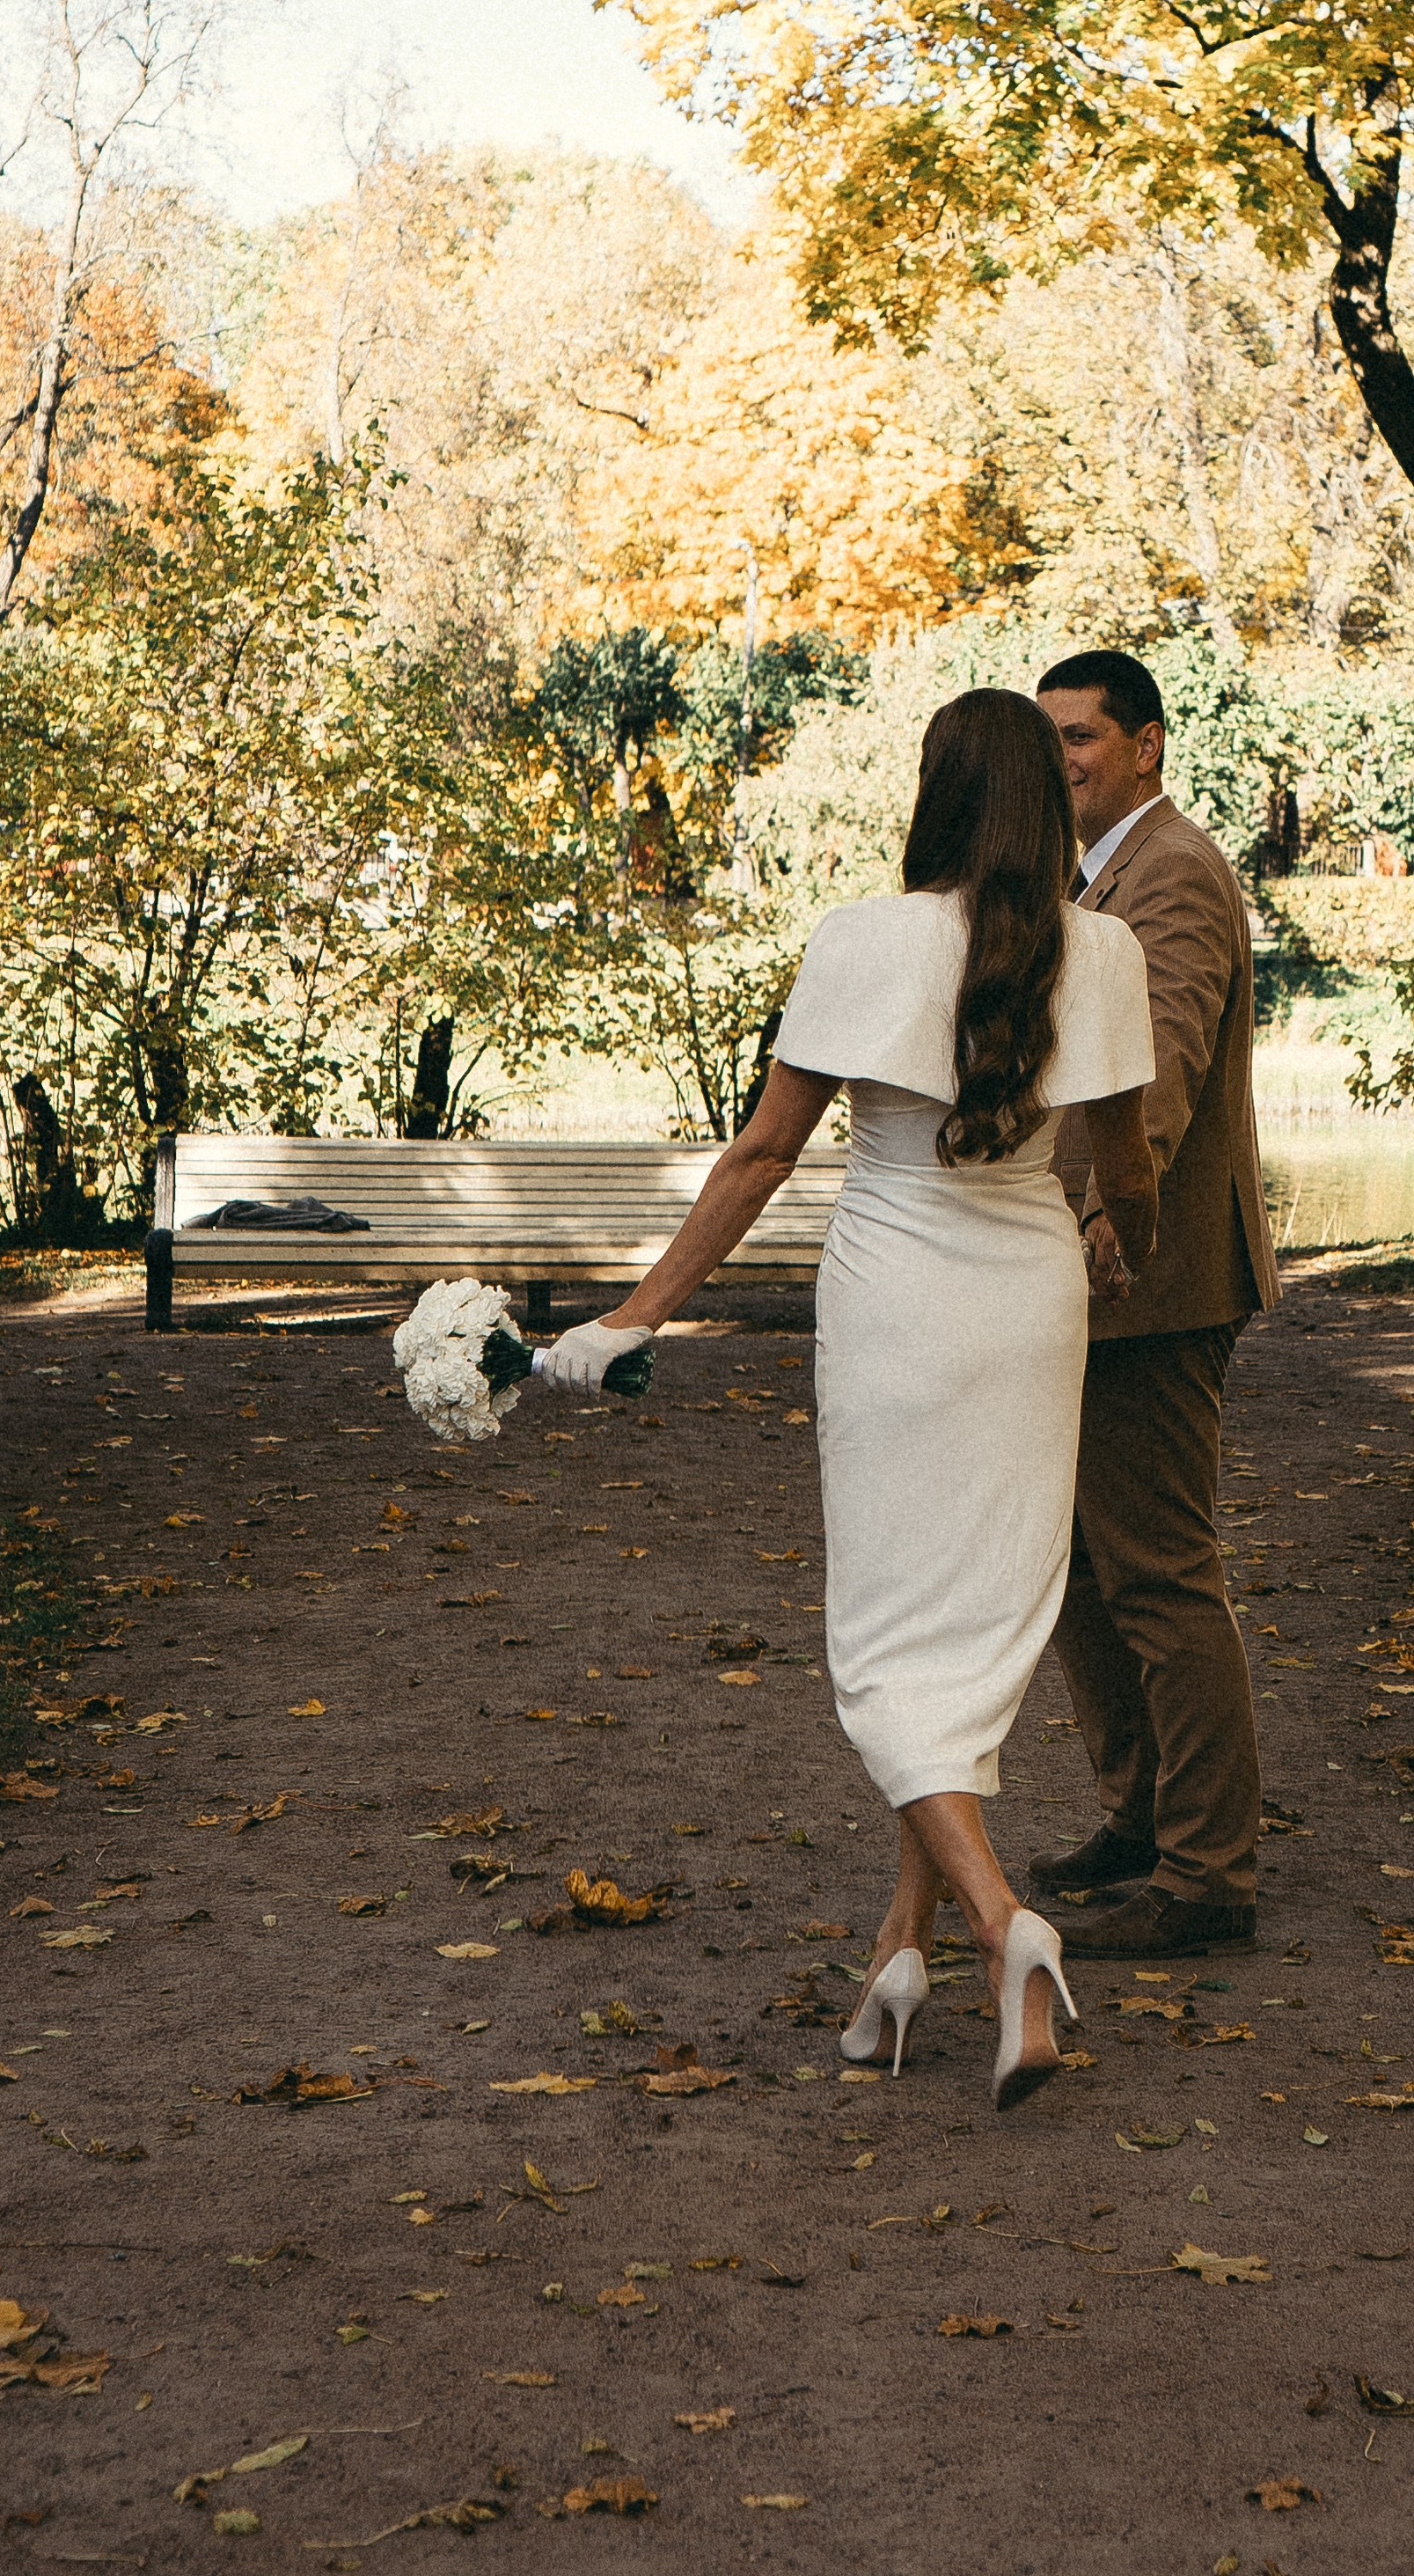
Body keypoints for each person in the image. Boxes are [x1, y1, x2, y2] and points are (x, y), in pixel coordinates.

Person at [545, 688, 1157, 2110]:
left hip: (894, 1302)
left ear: (937, 795)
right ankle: (898, 1957)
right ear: (1037, 801)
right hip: (1028, 1301)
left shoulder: (864, 940)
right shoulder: (1108, 950)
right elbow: (1125, 1163)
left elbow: (763, 1157)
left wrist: (641, 1313)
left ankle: (1009, 1931)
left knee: (889, 1644)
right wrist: (1110, 1238)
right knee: (974, 1623)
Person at [1029, 650, 1280, 1959]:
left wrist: (1110, 1222)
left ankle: (1207, 1874)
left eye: (1081, 736)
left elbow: (1163, 1051)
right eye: (1047, 738)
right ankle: (1138, 1816)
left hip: (1148, 1273)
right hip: (1077, 1268)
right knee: (1078, 1568)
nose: (1060, 756)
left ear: (1147, 747)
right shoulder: (1083, 881)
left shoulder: (1169, 871)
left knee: (1160, 1573)